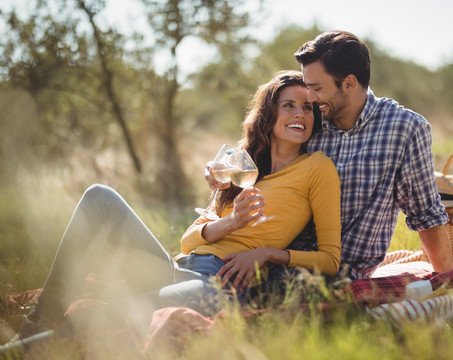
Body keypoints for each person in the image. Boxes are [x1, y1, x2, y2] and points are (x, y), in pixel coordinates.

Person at [6, 70, 341, 346]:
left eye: (308, 108)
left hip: (220, 285)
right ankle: (37, 323)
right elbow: (188, 242)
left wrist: (267, 253)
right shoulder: (243, 168)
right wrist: (230, 222)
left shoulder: (317, 168)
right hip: (180, 266)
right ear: (269, 114)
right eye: (289, 105)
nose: (300, 113)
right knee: (99, 197)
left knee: (109, 311)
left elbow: (330, 259)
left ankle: (21, 350)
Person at [290, 30, 453, 279]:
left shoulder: (404, 129)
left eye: (317, 89)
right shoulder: (309, 120)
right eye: (308, 88)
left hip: (341, 276)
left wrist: (446, 281)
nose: (310, 98)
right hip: (281, 257)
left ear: (349, 83)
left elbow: (426, 214)